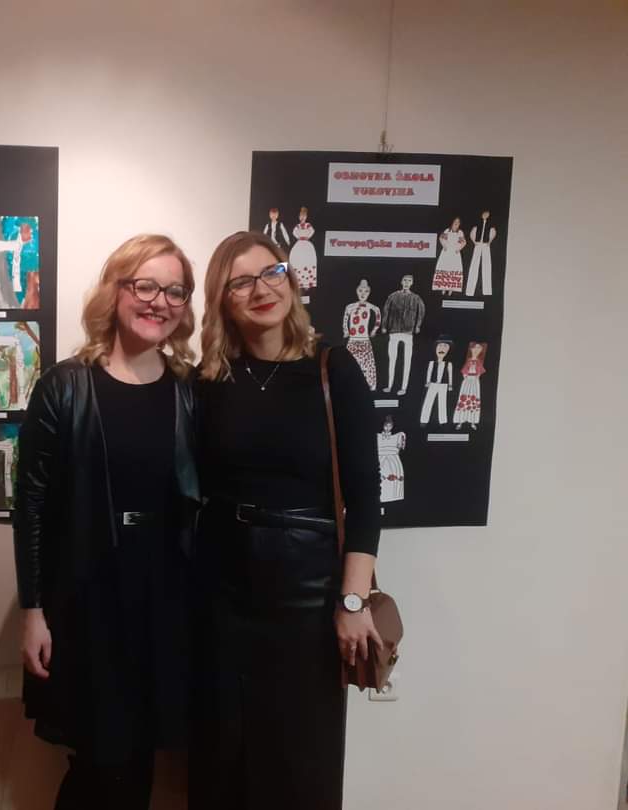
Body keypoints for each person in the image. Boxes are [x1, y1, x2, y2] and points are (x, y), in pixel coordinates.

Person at [191, 230, 381, 810]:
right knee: (223, 760)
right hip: (221, 592)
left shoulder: (333, 368)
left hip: (308, 594)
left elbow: (366, 498)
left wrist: (353, 602)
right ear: (222, 301)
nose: (261, 290)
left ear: (291, 279)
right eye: (241, 282)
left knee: (301, 762)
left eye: (272, 273)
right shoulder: (208, 381)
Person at [13, 234, 201, 810]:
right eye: (145, 285)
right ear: (117, 292)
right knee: (98, 761)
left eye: (174, 291)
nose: (159, 301)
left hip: (164, 606)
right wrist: (32, 611)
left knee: (137, 759)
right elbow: (31, 505)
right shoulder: (64, 386)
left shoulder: (192, 391)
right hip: (87, 602)